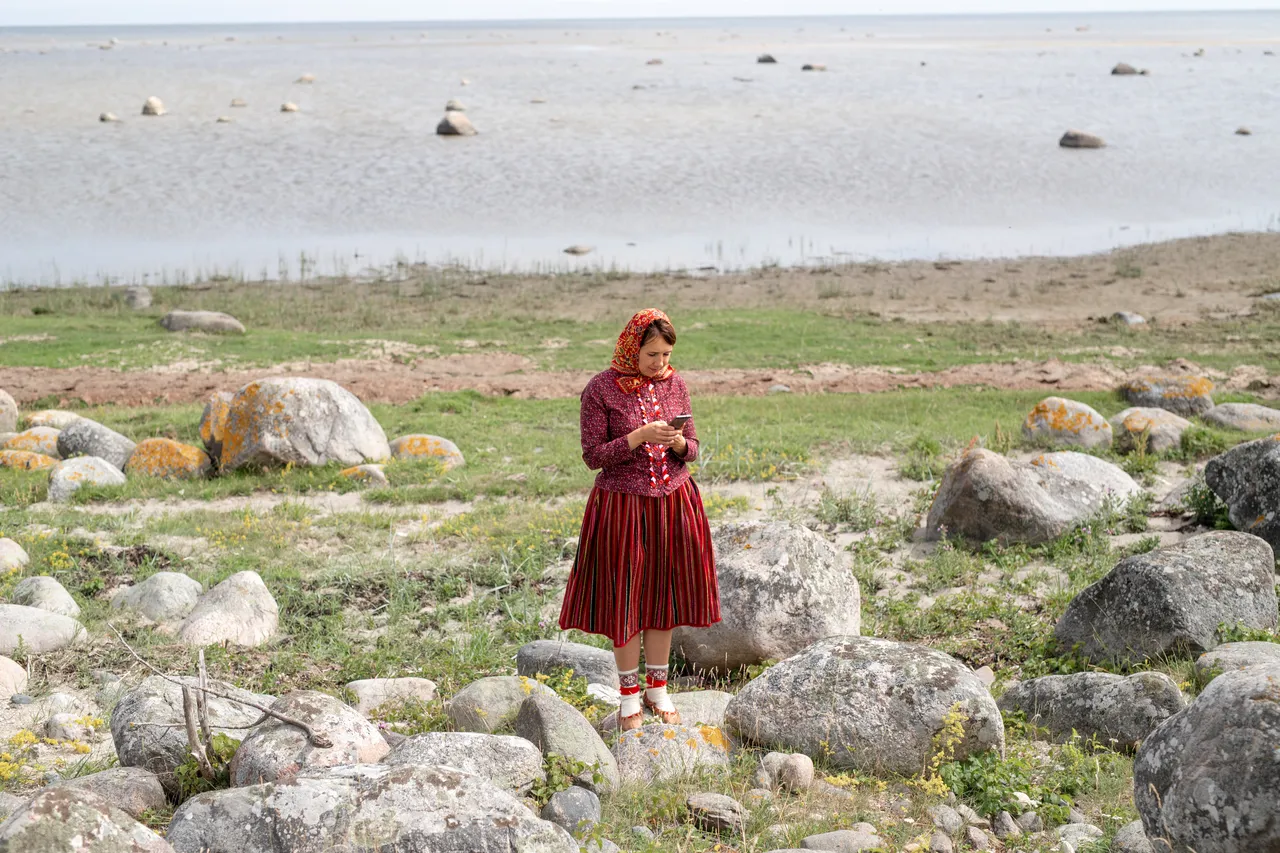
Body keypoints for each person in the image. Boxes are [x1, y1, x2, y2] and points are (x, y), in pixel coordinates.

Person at [559, 309, 721, 731]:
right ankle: (628, 698)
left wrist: (680, 441)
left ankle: (658, 690)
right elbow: (593, 456)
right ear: (633, 347)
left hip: (673, 502)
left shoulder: (676, 383)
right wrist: (638, 437)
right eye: (652, 354)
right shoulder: (600, 389)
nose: (660, 364)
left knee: (662, 598)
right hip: (622, 507)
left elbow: (695, 447)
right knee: (625, 599)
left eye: (666, 354)